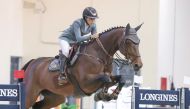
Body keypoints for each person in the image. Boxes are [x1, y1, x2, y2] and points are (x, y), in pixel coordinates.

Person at [58, 7, 99, 85]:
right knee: (66, 52)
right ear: (85, 18)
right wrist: (90, 37)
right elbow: (79, 38)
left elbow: (94, 38)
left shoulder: (93, 25)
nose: (93, 21)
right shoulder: (77, 23)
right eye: (91, 19)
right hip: (66, 39)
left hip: (76, 41)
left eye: (94, 19)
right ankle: (62, 74)